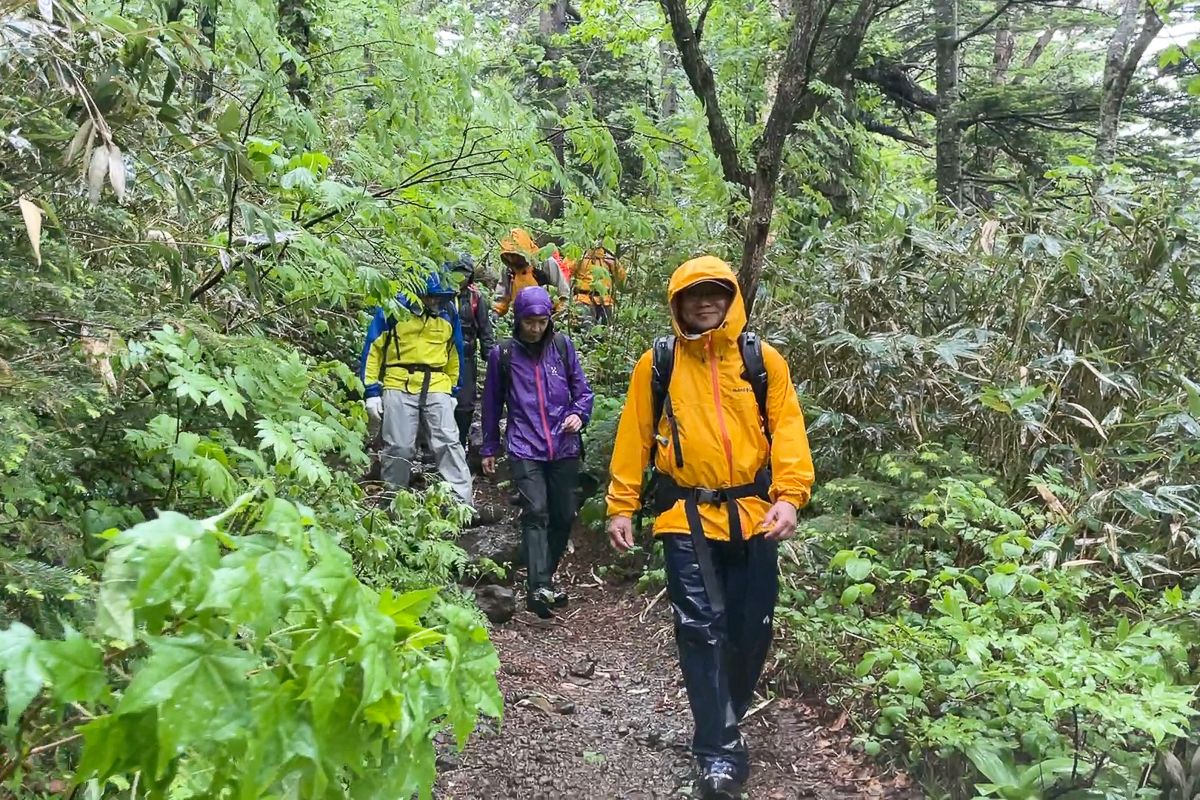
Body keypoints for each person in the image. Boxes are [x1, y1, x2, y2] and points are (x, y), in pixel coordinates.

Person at [604, 256, 814, 800]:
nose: (706, 302)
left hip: (754, 515)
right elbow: (636, 435)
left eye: (716, 293)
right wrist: (621, 504)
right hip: (684, 516)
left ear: (732, 297)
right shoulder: (660, 363)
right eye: (694, 294)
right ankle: (717, 751)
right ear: (677, 303)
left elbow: (788, 431)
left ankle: (725, 718)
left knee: (751, 630)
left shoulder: (761, 361)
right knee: (700, 628)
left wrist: (790, 497)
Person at [480, 285, 594, 618]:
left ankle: (545, 576)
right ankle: (538, 586)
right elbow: (492, 405)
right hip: (524, 446)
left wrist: (578, 414)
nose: (535, 328)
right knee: (536, 512)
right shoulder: (502, 355)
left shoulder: (562, 347)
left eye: (542, 321)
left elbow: (583, 392)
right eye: (530, 321)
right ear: (518, 320)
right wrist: (489, 446)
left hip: (564, 445)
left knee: (563, 514)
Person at [360, 270, 474, 507]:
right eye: (431, 298)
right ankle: (394, 505)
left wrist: (453, 390)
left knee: (448, 443)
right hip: (398, 381)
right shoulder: (393, 311)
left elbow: (455, 354)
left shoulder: (447, 312)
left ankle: (461, 506)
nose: (435, 302)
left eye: (438, 298)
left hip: (437, 383)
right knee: (399, 447)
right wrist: (371, 391)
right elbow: (373, 349)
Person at [446, 254, 495, 450]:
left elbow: (485, 330)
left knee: (465, 403)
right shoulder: (441, 296)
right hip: (441, 356)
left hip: (466, 357)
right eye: (457, 274)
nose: (461, 278)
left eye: (465, 274)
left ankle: (461, 440)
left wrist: (490, 357)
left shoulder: (476, 298)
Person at [492, 228, 571, 316]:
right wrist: (496, 312)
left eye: (514, 255)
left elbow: (563, 294)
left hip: (545, 316)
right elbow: (502, 297)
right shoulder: (508, 270)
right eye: (508, 255)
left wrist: (560, 316)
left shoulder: (545, 263)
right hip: (519, 317)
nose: (511, 259)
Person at [572, 245, 626, 326]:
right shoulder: (579, 256)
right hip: (583, 300)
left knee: (605, 333)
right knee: (585, 330)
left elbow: (622, 278)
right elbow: (566, 273)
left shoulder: (609, 258)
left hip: (605, 301)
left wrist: (614, 262)